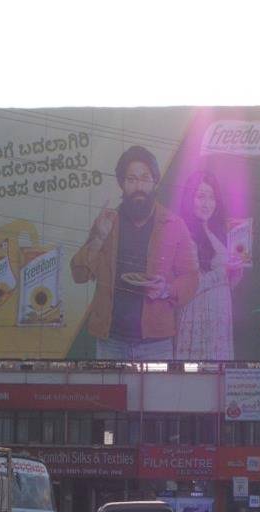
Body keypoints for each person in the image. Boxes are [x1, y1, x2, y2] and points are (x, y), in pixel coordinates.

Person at [71, 146, 199, 361]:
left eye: (145, 178)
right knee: (111, 396)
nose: (138, 186)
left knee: (155, 396)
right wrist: (98, 238)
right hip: (109, 341)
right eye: (131, 179)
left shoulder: (174, 225)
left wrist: (166, 290)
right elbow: (79, 275)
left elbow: (192, 278)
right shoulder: (107, 222)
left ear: (155, 181)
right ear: (122, 184)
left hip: (157, 344)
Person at [175, 171, 242, 360]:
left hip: (220, 316)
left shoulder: (217, 233)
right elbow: (186, 288)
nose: (207, 204)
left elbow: (225, 284)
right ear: (190, 198)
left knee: (218, 376)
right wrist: (223, 272)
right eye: (200, 196)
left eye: (212, 197)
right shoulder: (182, 233)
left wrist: (235, 273)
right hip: (197, 315)